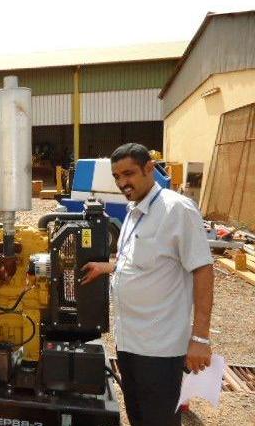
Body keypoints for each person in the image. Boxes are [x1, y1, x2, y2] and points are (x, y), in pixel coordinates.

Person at [81, 143, 214, 426]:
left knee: (159, 419)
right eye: (117, 177)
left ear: (149, 169)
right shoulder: (133, 211)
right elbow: (138, 261)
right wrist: (107, 267)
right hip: (129, 343)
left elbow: (203, 269)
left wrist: (200, 339)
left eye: (128, 174)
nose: (122, 183)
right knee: (139, 417)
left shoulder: (176, 210)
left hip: (159, 350)